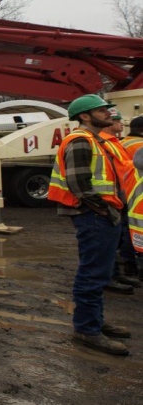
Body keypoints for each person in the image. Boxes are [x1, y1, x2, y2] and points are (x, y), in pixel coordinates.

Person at [48, 94, 131, 356]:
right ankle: (87, 329)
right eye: (101, 110)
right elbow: (80, 185)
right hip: (95, 215)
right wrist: (106, 210)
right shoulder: (81, 141)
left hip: (102, 214)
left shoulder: (95, 140)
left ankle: (94, 321)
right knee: (92, 274)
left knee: (100, 272)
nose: (108, 113)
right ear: (85, 116)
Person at [100, 109, 139, 292]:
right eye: (116, 120)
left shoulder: (116, 142)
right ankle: (108, 276)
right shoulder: (104, 142)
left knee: (117, 238)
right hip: (111, 198)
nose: (121, 123)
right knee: (108, 242)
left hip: (122, 195)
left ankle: (115, 273)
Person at [118, 116, 143, 279]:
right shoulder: (140, 146)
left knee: (127, 230)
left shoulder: (121, 142)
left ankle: (128, 263)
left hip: (125, 191)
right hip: (136, 193)